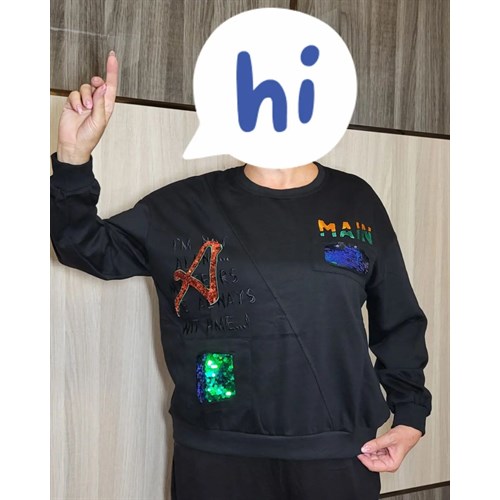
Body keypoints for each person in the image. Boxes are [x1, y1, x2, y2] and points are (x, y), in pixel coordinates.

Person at [51, 51, 431, 500]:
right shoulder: (182, 207)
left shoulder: (356, 201)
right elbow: (86, 248)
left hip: (335, 454)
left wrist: (411, 413)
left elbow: (397, 316)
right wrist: (73, 157)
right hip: (216, 453)